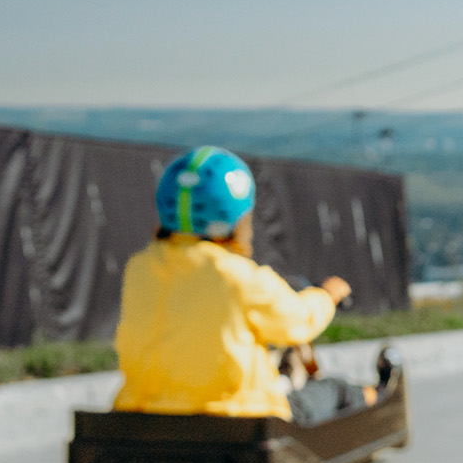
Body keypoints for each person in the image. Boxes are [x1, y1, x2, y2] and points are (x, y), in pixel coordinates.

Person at [112, 145, 364, 422]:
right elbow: (297, 321)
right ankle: (376, 396)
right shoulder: (236, 275)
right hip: (237, 417)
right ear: (234, 221)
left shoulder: (140, 268)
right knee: (336, 391)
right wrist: (327, 295)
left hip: (146, 414)